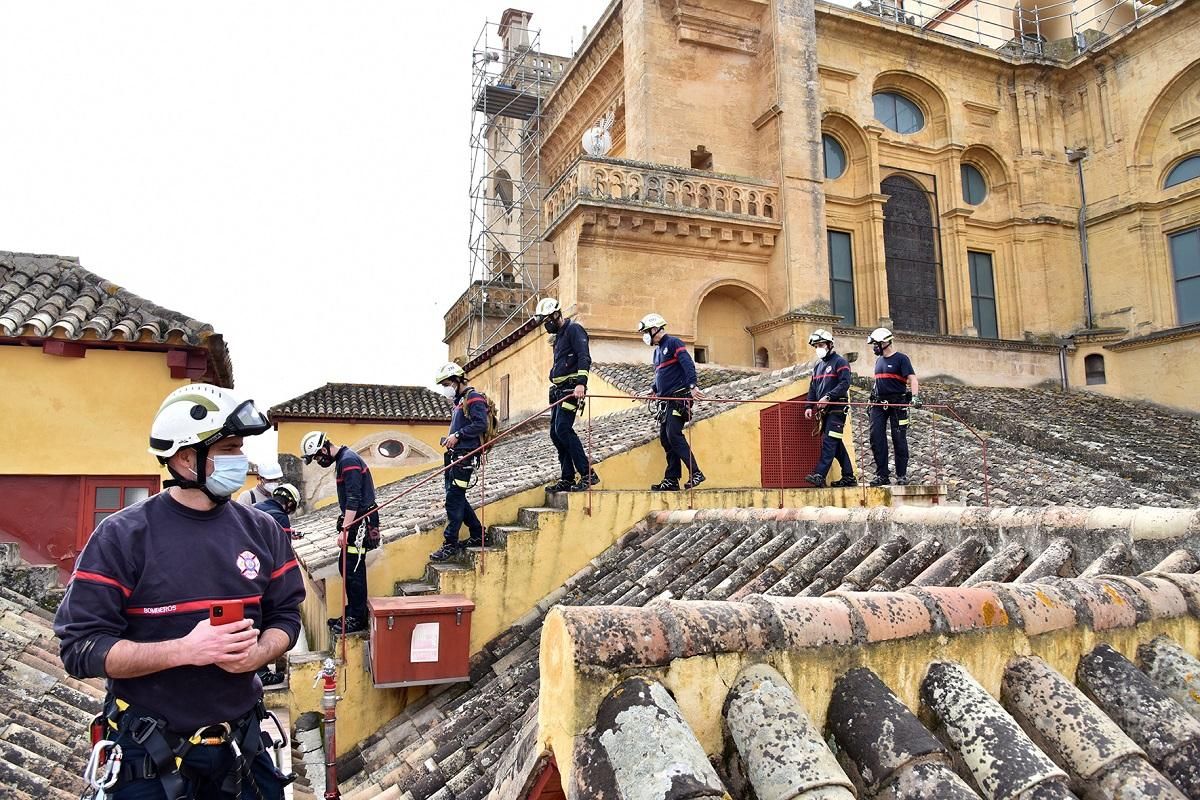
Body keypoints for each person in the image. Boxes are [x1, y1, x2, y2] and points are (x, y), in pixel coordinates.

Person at [54, 383, 303, 800]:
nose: (239, 460)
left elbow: (286, 617)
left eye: (239, 448)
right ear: (186, 458)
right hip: (149, 758)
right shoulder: (122, 536)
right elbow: (80, 649)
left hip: (241, 749)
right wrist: (185, 650)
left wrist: (259, 653)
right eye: (227, 449)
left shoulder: (263, 530)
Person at [301, 431, 378, 635]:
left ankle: (357, 618)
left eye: (318, 456)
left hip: (360, 521)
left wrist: (345, 529)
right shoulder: (344, 459)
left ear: (324, 449)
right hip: (356, 520)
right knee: (346, 567)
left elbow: (353, 499)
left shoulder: (348, 461)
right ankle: (352, 611)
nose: (319, 461)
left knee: (354, 571)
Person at [535, 297, 600, 493]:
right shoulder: (559, 337)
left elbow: (584, 357)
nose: (546, 325)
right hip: (558, 391)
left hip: (572, 389)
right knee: (555, 434)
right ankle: (567, 477)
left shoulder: (574, 330)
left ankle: (588, 474)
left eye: (547, 320)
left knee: (563, 429)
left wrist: (581, 383)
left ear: (556, 315)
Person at [429, 362, 490, 562]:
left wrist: (458, 434)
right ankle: (478, 534)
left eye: (446, 383)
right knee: (458, 498)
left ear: (456, 380)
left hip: (465, 457)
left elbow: (481, 424)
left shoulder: (474, 398)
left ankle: (450, 544)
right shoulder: (459, 401)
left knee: (453, 499)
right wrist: (451, 439)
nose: (445, 388)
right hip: (455, 456)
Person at [638, 313, 706, 491]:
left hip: (679, 398)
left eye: (645, 331)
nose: (644, 336)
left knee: (674, 435)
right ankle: (672, 479)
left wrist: (692, 386)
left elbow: (688, 365)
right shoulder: (657, 352)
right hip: (665, 401)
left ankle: (696, 472)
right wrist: (653, 389)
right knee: (666, 439)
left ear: (654, 329)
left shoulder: (674, 343)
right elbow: (661, 375)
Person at [802, 329, 858, 488]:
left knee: (828, 441)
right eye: (816, 346)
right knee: (836, 443)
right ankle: (849, 477)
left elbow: (845, 383)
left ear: (830, 344)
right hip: (824, 412)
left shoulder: (840, 362)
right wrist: (808, 406)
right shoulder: (818, 367)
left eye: (821, 344)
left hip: (837, 409)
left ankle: (820, 475)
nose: (818, 348)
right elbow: (813, 388)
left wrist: (829, 396)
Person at [867, 327, 922, 486]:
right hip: (879, 404)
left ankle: (901, 475)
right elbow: (878, 383)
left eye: (876, 344)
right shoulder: (878, 361)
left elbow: (913, 379)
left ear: (885, 342)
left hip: (898, 404)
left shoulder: (901, 359)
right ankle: (882, 475)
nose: (874, 347)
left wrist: (915, 397)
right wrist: (871, 401)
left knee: (899, 439)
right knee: (876, 438)